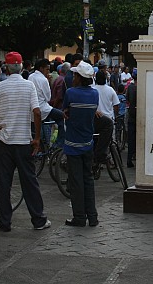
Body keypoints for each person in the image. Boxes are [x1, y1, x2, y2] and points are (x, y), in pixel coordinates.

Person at [0, 52, 50, 232]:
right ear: (21, 67)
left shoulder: (0, 87)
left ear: (7, 68)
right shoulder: (29, 86)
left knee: (3, 183)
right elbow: (37, 112)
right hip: (23, 140)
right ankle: (38, 220)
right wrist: (37, 138)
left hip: (4, 141)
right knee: (29, 182)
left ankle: (4, 222)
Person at [61, 61, 99, 227]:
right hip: (88, 142)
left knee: (76, 183)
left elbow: (65, 110)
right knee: (88, 180)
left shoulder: (71, 93)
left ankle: (79, 217)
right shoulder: (94, 94)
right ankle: (92, 216)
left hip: (72, 144)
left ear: (78, 77)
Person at [29, 58, 65, 148]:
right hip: (44, 108)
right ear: (41, 69)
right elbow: (48, 97)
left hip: (32, 109)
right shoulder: (43, 79)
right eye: (47, 69)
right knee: (62, 117)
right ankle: (58, 144)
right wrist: (48, 82)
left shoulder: (31, 77)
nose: (48, 72)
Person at [92, 70, 118, 165]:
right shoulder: (110, 90)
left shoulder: (93, 90)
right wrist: (115, 115)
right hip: (108, 120)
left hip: (96, 120)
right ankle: (109, 160)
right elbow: (116, 105)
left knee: (95, 142)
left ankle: (95, 161)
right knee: (110, 141)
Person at [125, 72, 137, 167]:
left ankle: (129, 159)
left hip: (131, 113)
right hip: (141, 114)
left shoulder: (130, 87)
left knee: (131, 137)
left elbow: (127, 99)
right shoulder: (143, 86)